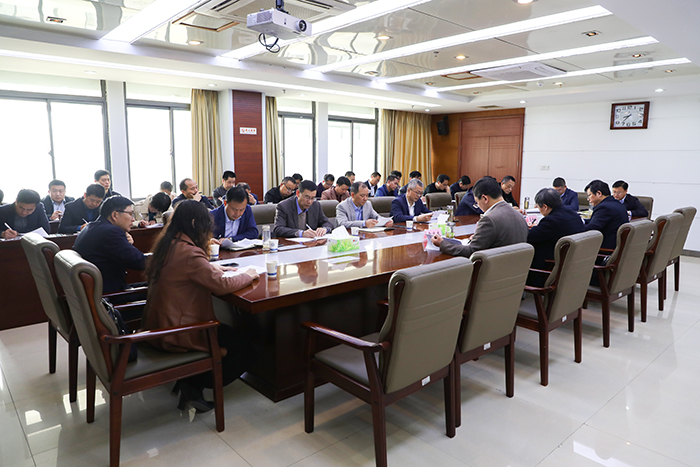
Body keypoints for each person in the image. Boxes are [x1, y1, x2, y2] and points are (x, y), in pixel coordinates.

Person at [140, 200, 259, 413]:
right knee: (246, 350)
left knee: (232, 336)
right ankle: (193, 383)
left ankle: (190, 381)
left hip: (159, 323)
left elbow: (188, 270)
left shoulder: (169, 243)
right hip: (179, 330)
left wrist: (210, 267)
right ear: (195, 223)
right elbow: (222, 286)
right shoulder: (190, 253)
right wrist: (248, 274)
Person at [432, 177, 528, 257]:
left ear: (485, 198)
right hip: (515, 271)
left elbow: (471, 252)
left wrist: (442, 243)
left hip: (493, 272)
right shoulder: (519, 216)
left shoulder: (489, 219)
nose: (478, 206)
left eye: (477, 203)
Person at [73, 196, 146, 294]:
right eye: (130, 214)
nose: (133, 219)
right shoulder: (111, 232)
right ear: (115, 215)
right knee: (160, 288)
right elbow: (139, 262)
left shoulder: (91, 226)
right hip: (110, 295)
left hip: (98, 291)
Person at [526, 188, 584, 286]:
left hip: (551, 266)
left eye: (538, 207)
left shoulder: (551, 221)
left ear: (545, 207)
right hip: (572, 262)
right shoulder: (573, 214)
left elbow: (528, 237)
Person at [582, 179, 629, 250]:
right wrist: (582, 221)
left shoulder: (604, 207)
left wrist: (574, 227)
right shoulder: (616, 203)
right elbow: (597, 221)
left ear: (599, 193)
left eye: (589, 195)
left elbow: (592, 229)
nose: (588, 199)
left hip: (605, 249)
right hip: (617, 246)